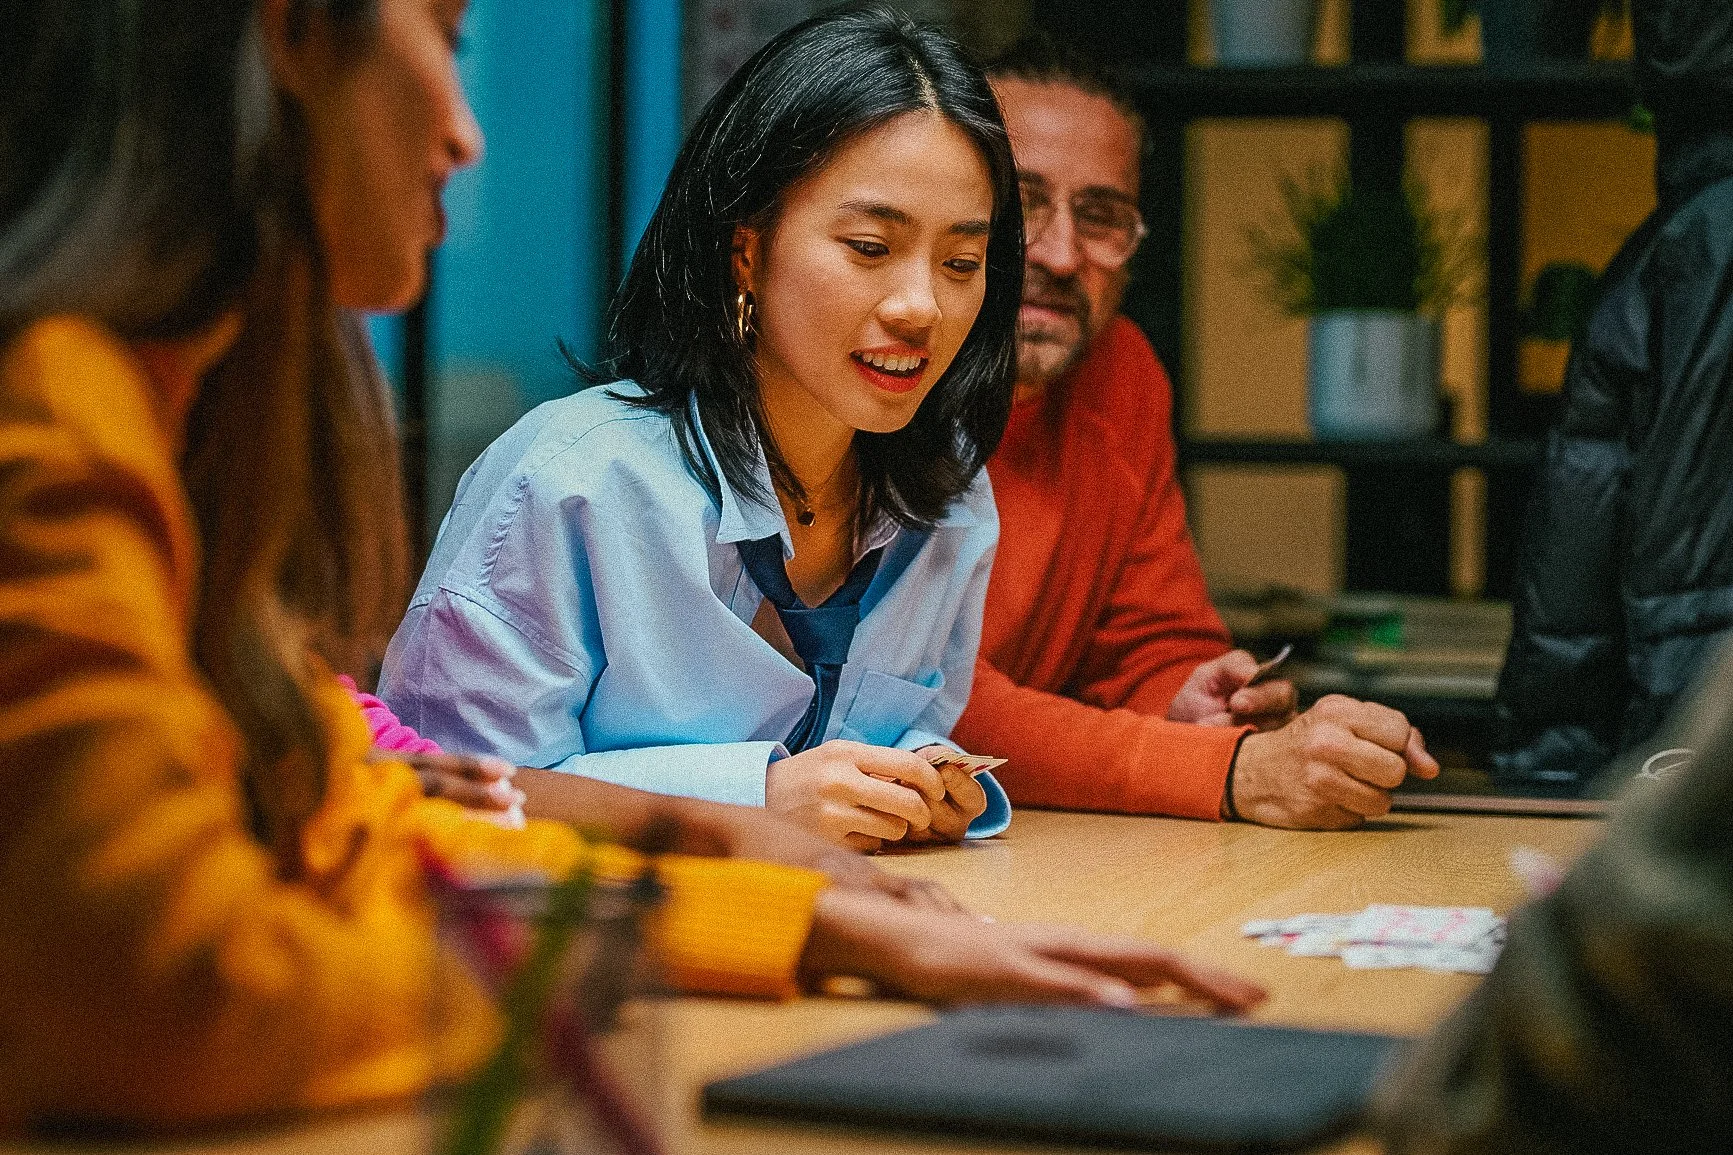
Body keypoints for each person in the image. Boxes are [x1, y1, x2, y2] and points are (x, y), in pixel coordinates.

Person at [0, 0, 1263, 1132]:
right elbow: (158, 988)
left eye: (957, 260)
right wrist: (619, 951)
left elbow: (373, 811)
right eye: (446, 39)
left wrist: (808, 916)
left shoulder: (192, 422)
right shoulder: (60, 426)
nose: (466, 136)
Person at [381, 6, 1024, 850]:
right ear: (744, 252)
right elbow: (438, 792)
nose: (920, 308)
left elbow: (883, 738)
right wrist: (749, 801)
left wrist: (916, 775)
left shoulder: (950, 504)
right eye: (869, 246)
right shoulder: (572, 481)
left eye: (960, 264)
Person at [949, 34, 1439, 830]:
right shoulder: (886, 376)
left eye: (1101, 216)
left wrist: (1187, 697)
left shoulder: (1123, 372)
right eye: (1020, 205)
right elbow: (921, 702)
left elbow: (1147, 639)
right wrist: (1230, 768)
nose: (1062, 254)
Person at [1493, 0, 1733, 790]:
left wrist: (1546, 786)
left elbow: (1578, 545)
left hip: (1689, 779)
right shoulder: (1678, 250)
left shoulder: (1672, 251)